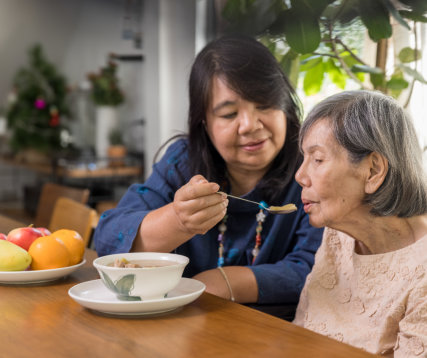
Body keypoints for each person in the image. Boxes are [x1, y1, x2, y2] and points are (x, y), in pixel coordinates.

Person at [93, 34, 323, 316]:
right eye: (229, 114)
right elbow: (107, 239)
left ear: (285, 105)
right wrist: (178, 220)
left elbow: (318, 267)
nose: (250, 125)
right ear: (204, 122)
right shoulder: (183, 162)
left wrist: (226, 281)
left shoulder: (313, 168)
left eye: (264, 105)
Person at [293, 90, 427, 356]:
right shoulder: (337, 236)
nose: (300, 175)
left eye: (317, 159)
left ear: (373, 171)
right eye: (304, 159)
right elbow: (300, 335)